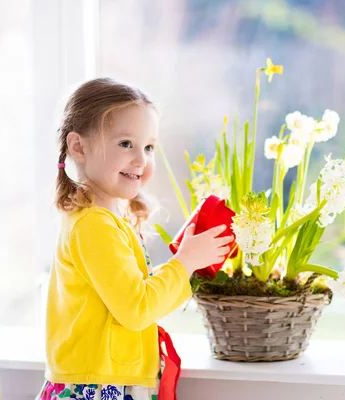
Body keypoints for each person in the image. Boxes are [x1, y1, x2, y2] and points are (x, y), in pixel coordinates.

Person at [36, 77, 232, 400]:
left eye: (149, 147)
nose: (141, 159)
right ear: (78, 147)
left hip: (108, 381)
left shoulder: (108, 221)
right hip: (98, 387)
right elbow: (137, 307)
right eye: (126, 144)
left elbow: (130, 296)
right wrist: (185, 263)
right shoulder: (94, 225)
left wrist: (186, 262)